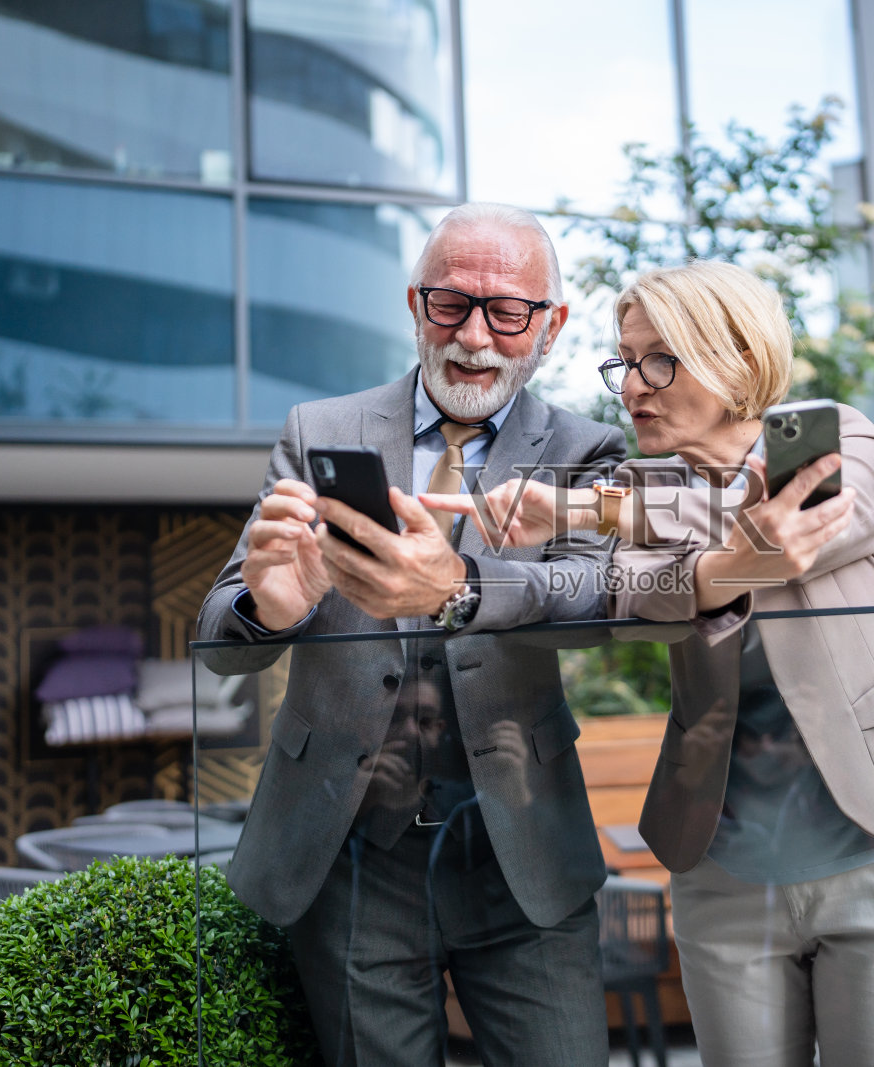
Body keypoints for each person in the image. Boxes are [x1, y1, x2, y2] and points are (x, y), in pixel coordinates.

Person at [426, 259, 874, 1067]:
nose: (632, 386)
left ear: (737, 360)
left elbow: (810, 524)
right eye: (624, 362)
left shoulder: (826, 436)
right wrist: (703, 554)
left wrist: (588, 509)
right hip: (723, 868)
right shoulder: (634, 484)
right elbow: (625, 599)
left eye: (658, 360)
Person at [196, 203, 625, 1067]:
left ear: (552, 325)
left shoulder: (588, 451)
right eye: (449, 304)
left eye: (507, 312)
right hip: (350, 851)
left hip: (522, 852)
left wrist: (462, 585)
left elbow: (594, 601)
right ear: (413, 303)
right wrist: (273, 607)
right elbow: (218, 629)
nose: (474, 337)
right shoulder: (320, 431)